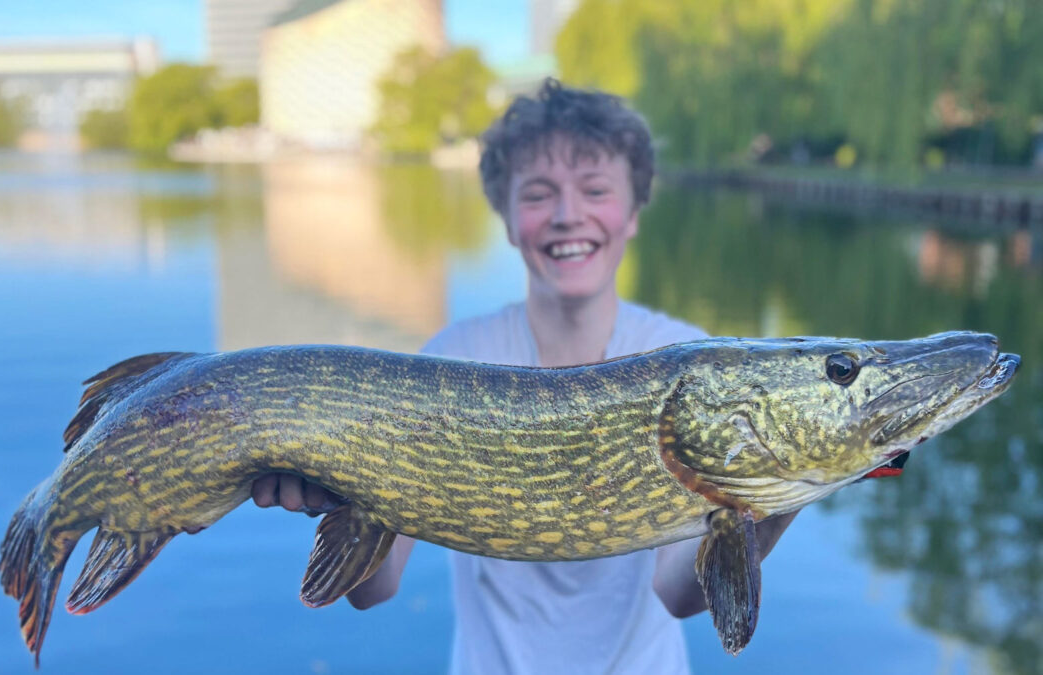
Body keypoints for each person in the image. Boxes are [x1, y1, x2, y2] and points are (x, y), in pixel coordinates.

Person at [251, 79, 798, 674]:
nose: (568, 215)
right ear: (508, 219)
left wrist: (778, 491)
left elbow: (677, 593)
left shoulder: (690, 363)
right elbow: (373, 589)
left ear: (635, 212)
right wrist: (333, 487)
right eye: (538, 195)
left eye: (596, 189)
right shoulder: (453, 360)